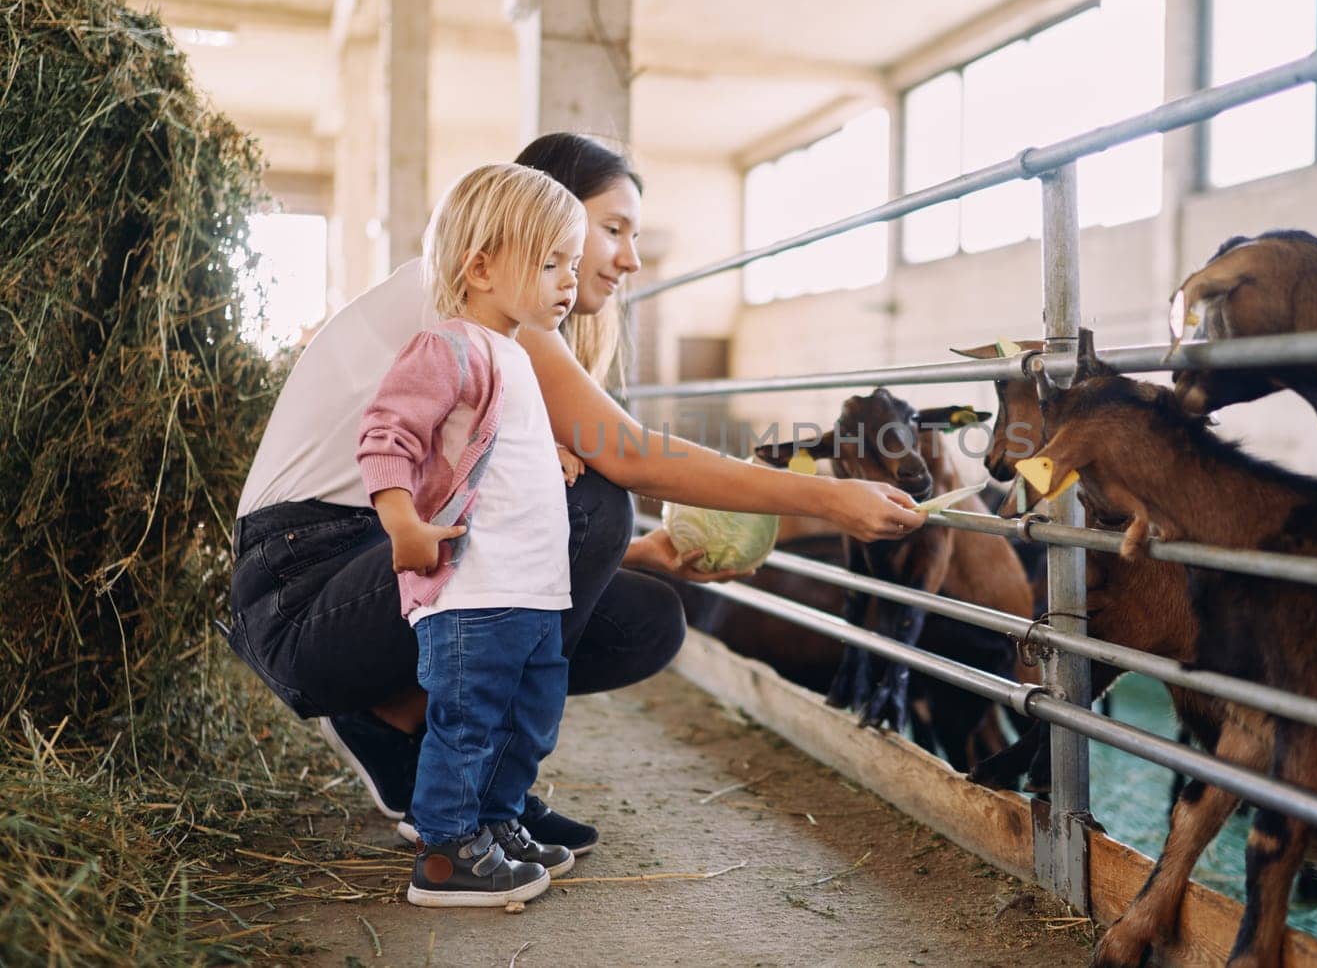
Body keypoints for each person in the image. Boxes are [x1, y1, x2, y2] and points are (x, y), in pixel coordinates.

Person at [228, 133, 923, 858]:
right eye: (612, 229)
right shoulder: (474, 297)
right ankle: (433, 757)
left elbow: (496, 513)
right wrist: (828, 499)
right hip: (300, 591)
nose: (631, 258)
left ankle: (457, 760)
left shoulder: (503, 318)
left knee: (648, 618)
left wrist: (645, 553)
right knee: (597, 501)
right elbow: (633, 456)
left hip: (372, 570)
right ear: (539, 214)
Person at [359, 163, 583, 906]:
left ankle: (493, 822)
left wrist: (540, 454)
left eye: (571, 265)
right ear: (480, 266)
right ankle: (447, 853)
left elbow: (479, 441)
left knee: (530, 715)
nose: (568, 279)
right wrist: (403, 523)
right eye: (550, 262)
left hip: (531, 588)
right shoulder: (450, 345)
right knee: (470, 720)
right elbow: (387, 434)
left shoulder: (515, 354)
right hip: (474, 586)